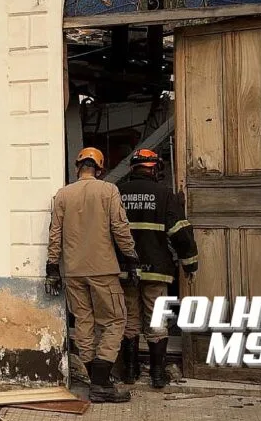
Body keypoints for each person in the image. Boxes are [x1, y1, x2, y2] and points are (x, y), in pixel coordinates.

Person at [46, 147, 140, 403]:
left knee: (84, 323)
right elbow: (120, 228)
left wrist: (52, 268)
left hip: (73, 272)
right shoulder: (108, 191)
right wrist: (131, 258)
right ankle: (100, 383)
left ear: (78, 167)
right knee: (114, 321)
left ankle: (96, 380)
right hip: (103, 270)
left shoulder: (63, 195)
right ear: (99, 169)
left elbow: (55, 233)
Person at [116, 149, 199, 389]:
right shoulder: (164, 195)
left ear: (133, 168)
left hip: (125, 268)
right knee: (156, 320)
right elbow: (180, 233)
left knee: (129, 321)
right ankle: (157, 375)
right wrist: (190, 263)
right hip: (157, 269)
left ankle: (129, 373)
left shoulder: (118, 193)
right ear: (154, 168)